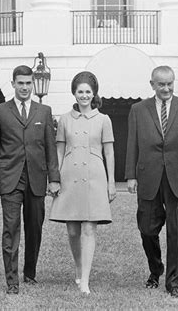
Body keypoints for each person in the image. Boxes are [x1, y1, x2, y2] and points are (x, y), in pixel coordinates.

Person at [0, 65, 60, 295]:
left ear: (32, 84)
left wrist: (54, 178)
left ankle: (30, 273)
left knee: (35, 228)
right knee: (11, 228)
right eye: (21, 83)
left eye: (28, 83)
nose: (25, 87)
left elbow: (50, 148)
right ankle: (12, 281)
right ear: (13, 83)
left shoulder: (43, 111)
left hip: (36, 178)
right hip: (10, 179)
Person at [125, 65, 178, 298]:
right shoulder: (138, 110)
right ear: (152, 85)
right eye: (161, 84)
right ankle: (156, 268)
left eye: (170, 83)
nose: (166, 88)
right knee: (147, 229)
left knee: (177, 232)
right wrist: (131, 175)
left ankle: (173, 281)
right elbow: (132, 143)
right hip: (148, 176)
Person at [49, 71, 116, 295]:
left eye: (88, 91)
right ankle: (78, 268)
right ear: (74, 93)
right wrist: (55, 178)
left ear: (94, 93)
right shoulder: (65, 119)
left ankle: (85, 280)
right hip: (69, 177)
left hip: (95, 177)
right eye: (80, 91)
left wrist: (112, 183)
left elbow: (110, 152)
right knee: (72, 230)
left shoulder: (104, 120)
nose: (84, 95)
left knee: (89, 228)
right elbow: (59, 150)